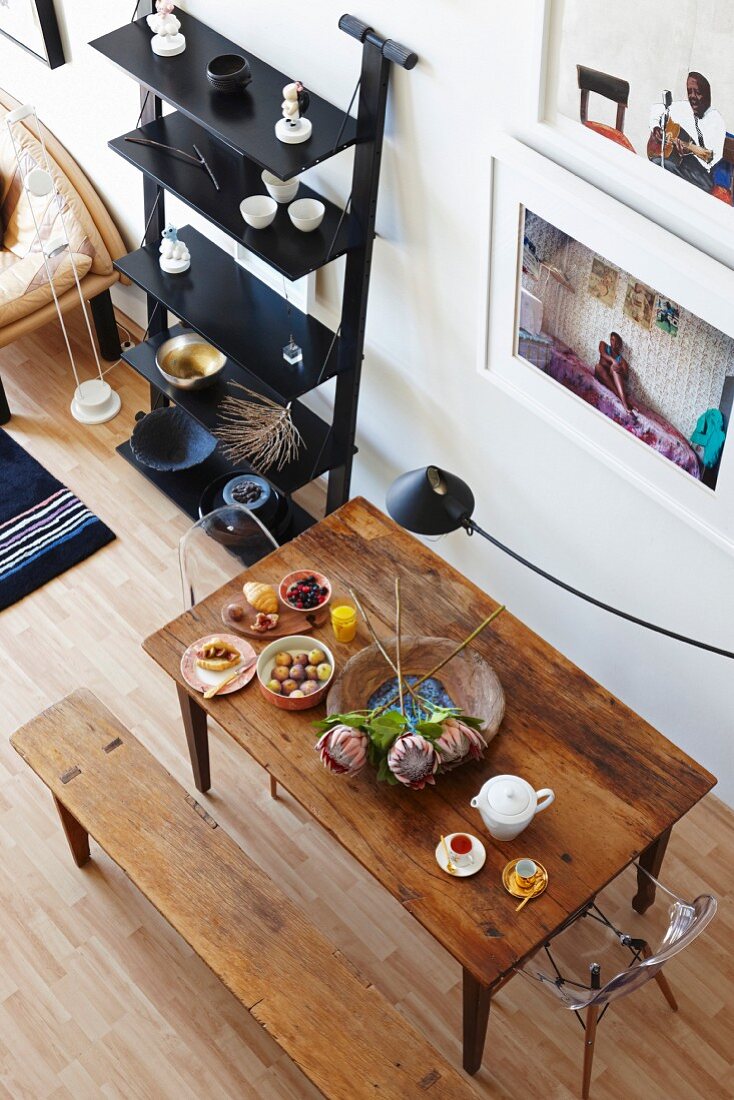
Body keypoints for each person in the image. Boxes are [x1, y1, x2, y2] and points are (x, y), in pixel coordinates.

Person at [649, 73, 725, 193]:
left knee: (658, 166)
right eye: (689, 91)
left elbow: (712, 156)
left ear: (706, 95)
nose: (692, 96)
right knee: (656, 163)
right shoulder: (685, 108)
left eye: (697, 92)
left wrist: (690, 151)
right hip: (682, 165)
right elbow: (658, 108)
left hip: (702, 177)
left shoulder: (716, 120)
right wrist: (656, 127)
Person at [596, 332, 635, 415]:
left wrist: (619, 369)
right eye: (612, 339)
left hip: (612, 381)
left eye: (616, 342)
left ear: (619, 345)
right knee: (598, 367)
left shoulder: (621, 360)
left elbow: (626, 376)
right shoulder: (603, 345)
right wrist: (613, 361)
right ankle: (622, 398)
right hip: (601, 375)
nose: (614, 342)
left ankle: (624, 404)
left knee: (614, 369)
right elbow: (602, 353)